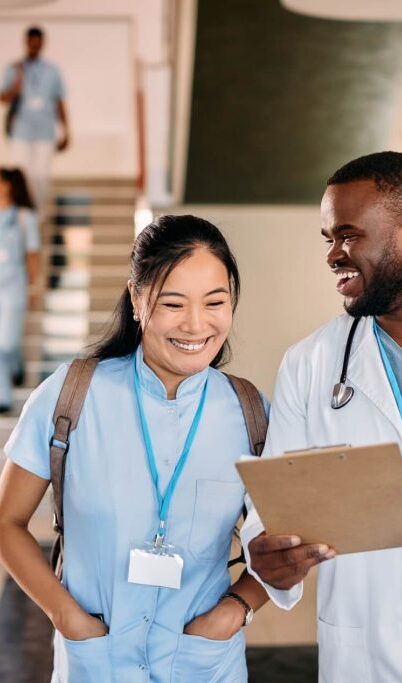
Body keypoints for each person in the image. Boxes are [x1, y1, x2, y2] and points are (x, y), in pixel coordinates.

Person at [0, 215, 268, 683]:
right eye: (173, 303)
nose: (196, 324)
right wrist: (65, 616)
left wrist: (236, 610)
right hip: (95, 662)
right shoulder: (71, 395)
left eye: (215, 302)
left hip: (204, 665)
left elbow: (292, 537)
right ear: (137, 300)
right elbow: (7, 521)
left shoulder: (251, 413)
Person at [242, 151, 402, 683]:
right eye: (327, 238)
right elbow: (273, 511)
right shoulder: (311, 363)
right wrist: (269, 557)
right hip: (363, 658)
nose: (332, 255)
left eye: (347, 235)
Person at [0, 26, 69, 221]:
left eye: (38, 44)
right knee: (21, 176)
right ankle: (21, 214)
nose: (34, 47)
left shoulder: (52, 70)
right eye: (31, 44)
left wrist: (66, 131)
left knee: (40, 176)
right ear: (26, 43)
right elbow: (3, 97)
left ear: (42, 44)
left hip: (45, 132)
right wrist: (16, 86)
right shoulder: (14, 68)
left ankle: (37, 216)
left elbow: (59, 101)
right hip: (21, 131)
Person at [0, 167, 40, 411]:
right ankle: (3, 396)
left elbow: (32, 256)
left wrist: (34, 287)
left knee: (7, 342)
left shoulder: (25, 217)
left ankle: (15, 364)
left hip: (15, 283)